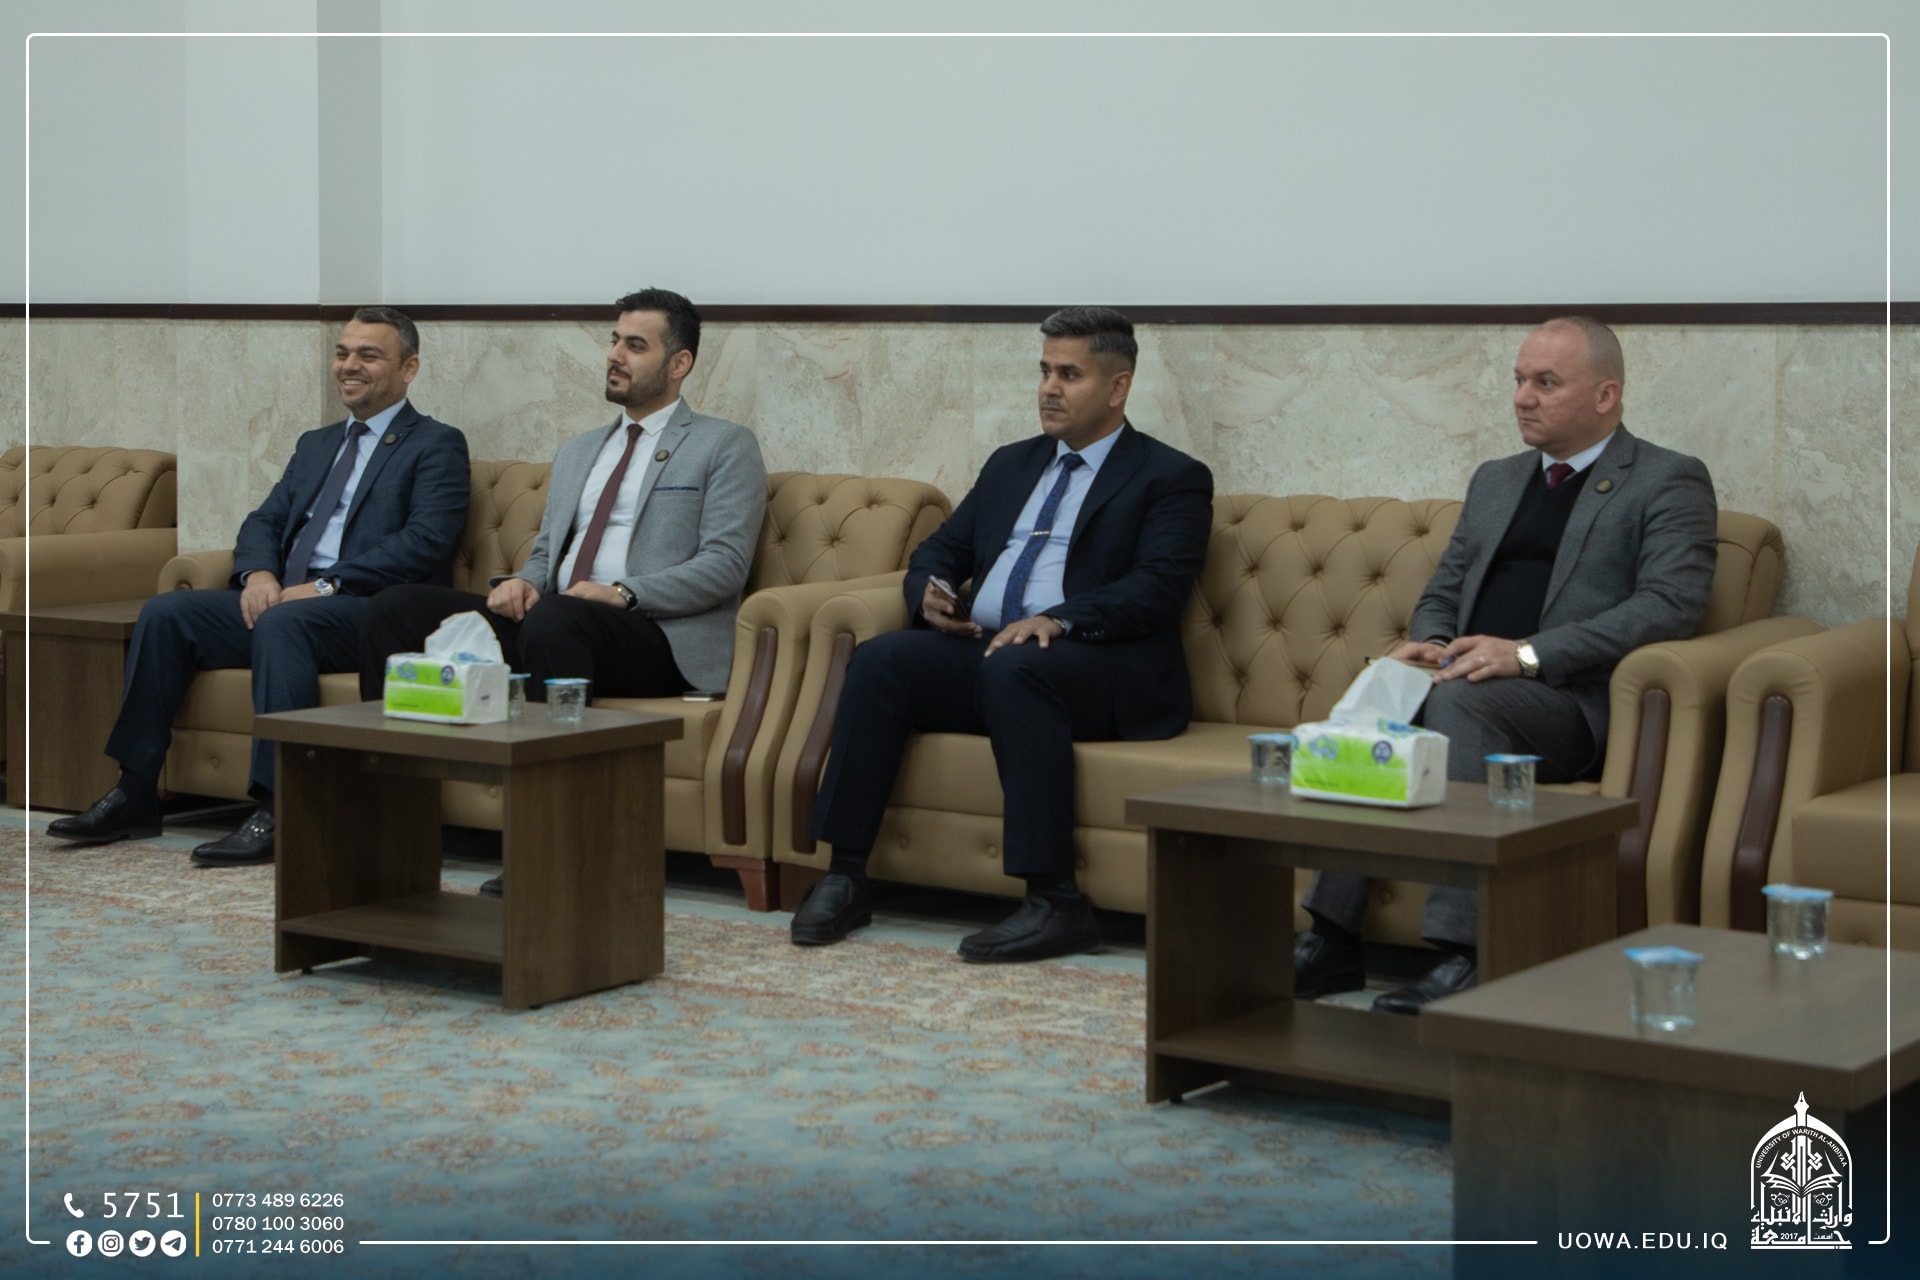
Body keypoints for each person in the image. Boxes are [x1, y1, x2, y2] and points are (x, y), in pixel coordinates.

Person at [1295, 316, 1718, 1012]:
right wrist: (1430, 642)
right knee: (1390, 692)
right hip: (1466, 679)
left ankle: (1471, 953)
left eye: (1546, 383)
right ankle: (1331, 938)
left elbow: (1670, 604)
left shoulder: (1666, 480)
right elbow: (1445, 587)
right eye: (1519, 380)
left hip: (1570, 705)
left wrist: (1525, 655)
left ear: (1606, 395)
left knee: (1458, 700)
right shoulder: (1497, 480)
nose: (1523, 397)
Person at [791, 306, 1213, 963]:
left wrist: (1059, 619)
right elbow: (940, 550)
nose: (1048, 389)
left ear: (1118, 387)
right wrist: (929, 592)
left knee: (1018, 666)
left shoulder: (1170, 476)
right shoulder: (1011, 465)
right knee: (880, 661)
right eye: (1045, 372)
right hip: (992, 654)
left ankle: (1056, 901)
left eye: (1069, 375)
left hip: (1099, 665)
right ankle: (845, 874)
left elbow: (1156, 588)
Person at [355, 288, 766, 895]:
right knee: (394, 609)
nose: (615, 355)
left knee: (559, 620)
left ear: (679, 363)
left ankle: (544, 844)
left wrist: (625, 592)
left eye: (635, 345)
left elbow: (724, 565)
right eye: (614, 341)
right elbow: (549, 552)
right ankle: (387, 821)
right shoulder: (580, 450)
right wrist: (522, 582)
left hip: (654, 634)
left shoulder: (723, 444)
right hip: (562, 620)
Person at [50, 307, 470, 865]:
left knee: (284, 622)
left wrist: (326, 586)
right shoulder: (317, 443)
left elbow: (424, 542)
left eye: (369, 355)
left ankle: (280, 807)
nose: (349, 365)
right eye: (342, 353)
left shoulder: (436, 443)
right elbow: (264, 521)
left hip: (366, 610)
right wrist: (259, 575)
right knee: (168, 613)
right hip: (287, 603)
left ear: (409, 368)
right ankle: (135, 791)